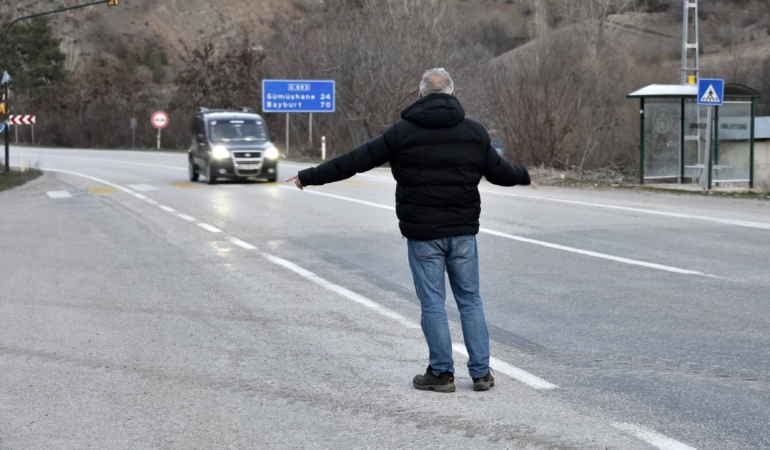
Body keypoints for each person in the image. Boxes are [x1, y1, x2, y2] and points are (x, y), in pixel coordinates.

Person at [286, 68, 535, 393]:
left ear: (419, 96)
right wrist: (524, 175)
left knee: (433, 302)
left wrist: (310, 176)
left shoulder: (401, 132)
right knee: (470, 300)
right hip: (462, 233)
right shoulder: (474, 132)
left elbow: (354, 161)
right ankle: (481, 374)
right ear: (453, 95)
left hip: (423, 234)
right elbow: (500, 173)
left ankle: (442, 374)